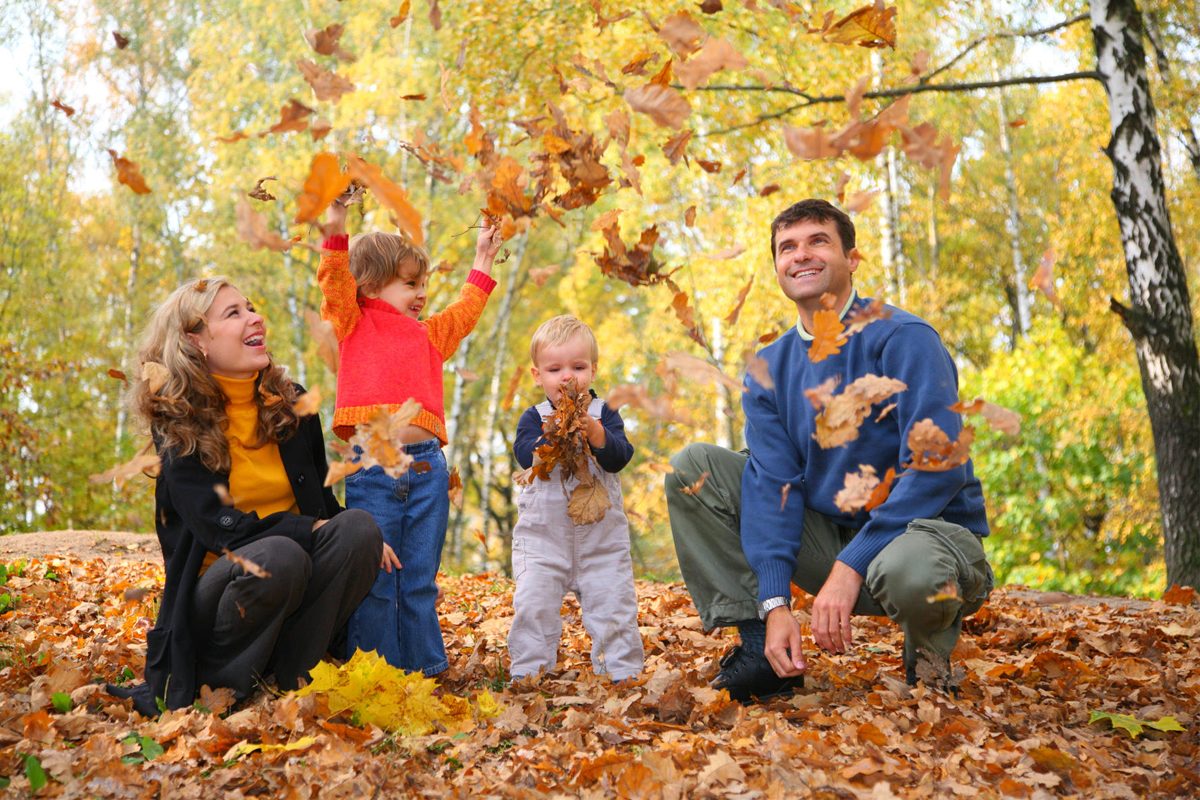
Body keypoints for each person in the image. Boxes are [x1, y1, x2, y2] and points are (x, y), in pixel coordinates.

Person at [665, 199, 993, 703]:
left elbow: (937, 466)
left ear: (852, 258)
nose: (801, 255)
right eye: (787, 247)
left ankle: (928, 669)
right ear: (777, 266)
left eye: (818, 241)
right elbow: (773, 487)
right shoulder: (769, 370)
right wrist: (776, 602)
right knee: (695, 468)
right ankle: (763, 651)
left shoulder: (904, 338)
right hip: (830, 538)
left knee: (913, 570)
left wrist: (851, 565)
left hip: (928, 541)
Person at [107, 277, 384, 717]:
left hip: (292, 567)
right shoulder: (178, 422)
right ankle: (224, 689)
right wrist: (305, 528)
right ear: (195, 340)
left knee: (359, 528)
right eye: (233, 313)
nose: (254, 317)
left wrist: (358, 541)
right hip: (219, 590)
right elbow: (219, 527)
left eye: (251, 308)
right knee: (277, 554)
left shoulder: (291, 403)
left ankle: (295, 676)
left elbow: (320, 505)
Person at [319, 192, 502, 676]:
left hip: (426, 473)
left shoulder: (428, 335)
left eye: (423, 284)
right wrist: (336, 219)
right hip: (374, 474)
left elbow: (465, 311)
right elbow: (335, 279)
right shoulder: (353, 322)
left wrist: (483, 256)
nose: (421, 293)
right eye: (410, 284)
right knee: (379, 576)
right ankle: (376, 672)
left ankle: (425, 670)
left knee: (419, 577)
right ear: (371, 285)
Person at [509, 315, 644, 681]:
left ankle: (623, 675)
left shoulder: (604, 415)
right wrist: (549, 439)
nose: (567, 377)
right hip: (543, 542)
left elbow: (619, 457)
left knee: (615, 610)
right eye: (555, 369)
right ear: (538, 376)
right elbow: (525, 454)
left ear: (593, 370)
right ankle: (528, 675)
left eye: (578, 367)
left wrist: (598, 436)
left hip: (602, 544)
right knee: (533, 607)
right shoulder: (534, 418)